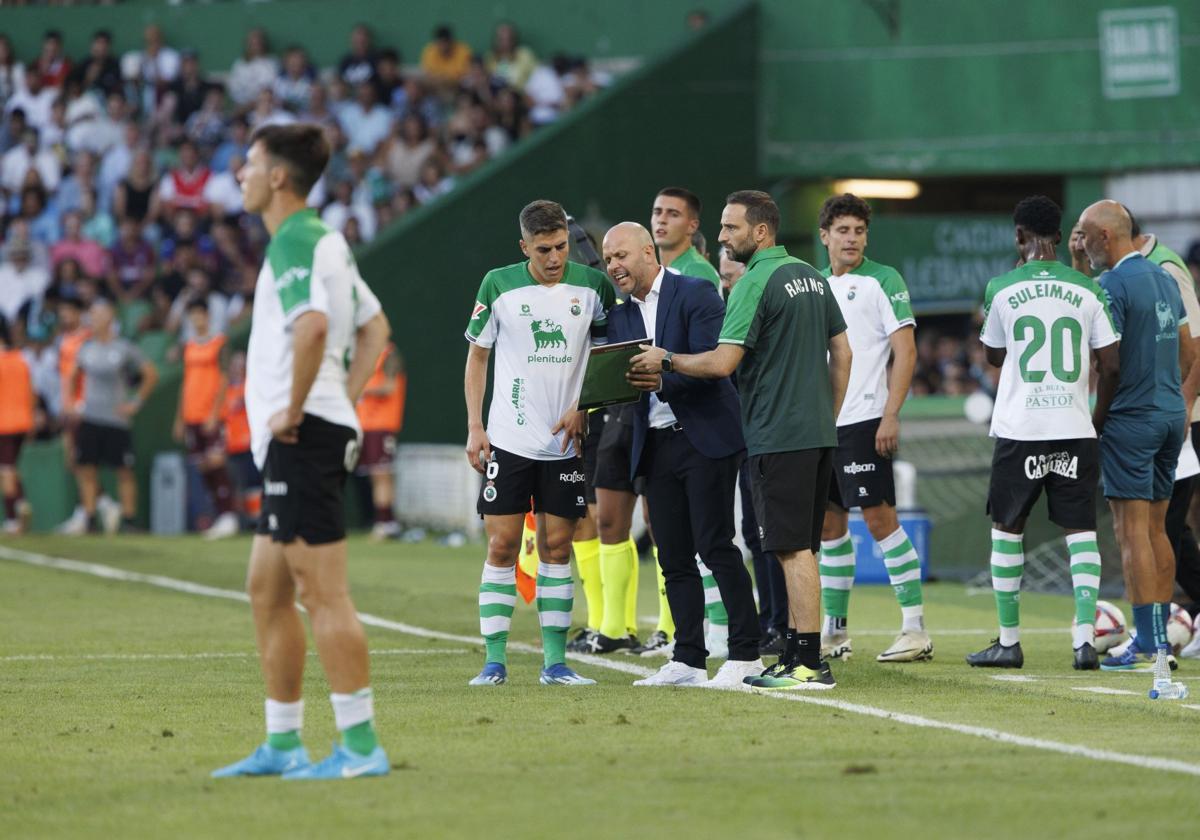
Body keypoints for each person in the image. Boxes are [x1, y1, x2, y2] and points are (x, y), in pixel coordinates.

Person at [212, 124, 392, 780]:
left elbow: (313, 327)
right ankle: (283, 744)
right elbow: (376, 328)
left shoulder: (295, 239)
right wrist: (337, 398)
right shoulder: (324, 241)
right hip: (311, 430)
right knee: (266, 588)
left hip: (302, 437)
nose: (241, 175)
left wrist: (298, 407)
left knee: (322, 593)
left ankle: (360, 747)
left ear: (278, 177)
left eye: (249, 164)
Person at [632, 190, 852, 691]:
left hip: (776, 432)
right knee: (801, 548)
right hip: (815, 432)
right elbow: (843, 351)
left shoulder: (755, 280)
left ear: (760, 232)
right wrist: (828, 416)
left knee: (791, 549)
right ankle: (798, 652)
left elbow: (721, 362)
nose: (724, 237)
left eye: (732, 228)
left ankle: (809, 662)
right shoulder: (812, 276)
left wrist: (666, 359)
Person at [963, 197, 1120, 670]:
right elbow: (1111, 364)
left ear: (1018, 236)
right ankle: (1083, 641)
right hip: (1074, 427)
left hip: (1020, 428)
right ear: (1059, 235)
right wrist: (1096, 419)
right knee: (1081, 532)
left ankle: (1009, 642)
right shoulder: (1089, 288)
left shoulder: (1001, 288)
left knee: (1007, 530)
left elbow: (993, 356)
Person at [604, 222, 763, 687]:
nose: (614, 266)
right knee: (672, 555)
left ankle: (746, 652)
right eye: (609, 259)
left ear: (648, 252)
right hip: (654, 444)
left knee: (715, 545)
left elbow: (716, 363)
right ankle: (689, 658)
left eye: (621, 256)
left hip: (705, 436)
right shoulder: (619, 316)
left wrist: (664, 370)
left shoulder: (696, 293)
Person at [463, 199, 614, 686]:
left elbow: (605, 356)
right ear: (523, 246)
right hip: (508, 439)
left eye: (562, 247)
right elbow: (477, 357)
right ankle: (494, 662)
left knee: (557, 547)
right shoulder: (498, 284)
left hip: (565, 443)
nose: (554, 258)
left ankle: (555, 663)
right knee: (503, 545)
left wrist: (585, 408)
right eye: (544, 249)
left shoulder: (592, 287)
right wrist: (474, 426)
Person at [1073, 201, 1195, 671]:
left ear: (1106, 236)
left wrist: (1097, 422)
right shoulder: (1165, 276)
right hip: (1170, 416)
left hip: (1132, 419)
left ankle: (1145, 643)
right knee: (1160, 528)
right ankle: (1160, 640)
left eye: (1084, 235)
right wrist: (1169, 392)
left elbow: (1110, 363)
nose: (1081, 243)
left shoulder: (1112, 286)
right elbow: (1187, 352)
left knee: (1131, 533)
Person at [814, 194, 930, 662]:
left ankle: (915, 629)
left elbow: (907, 352)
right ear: (824, 236)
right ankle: (836, 633)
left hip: (866, 421)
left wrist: (891, 413)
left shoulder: (884, 280)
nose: (852, 239)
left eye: (859, 231)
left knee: (882, 522)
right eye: (843, 230)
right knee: (828, 527)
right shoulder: (816, 284)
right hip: (823, 426)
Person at [66, 297, 158, 534]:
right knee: (87, 468)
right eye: (92, 314)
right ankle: (89, 518)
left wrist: (135, 402)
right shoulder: (86, 348)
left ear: (110, 318)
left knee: (124, 471)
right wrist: (70, 403)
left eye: (98, 314)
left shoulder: (123, 348)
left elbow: (150, 374)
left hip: (116, 419)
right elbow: (72, 376)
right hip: (91, 417)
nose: (94, 319)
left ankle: (128, 519)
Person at [173, 299, 239, 540]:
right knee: (202, 466)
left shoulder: (219, 343)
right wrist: (179, 417)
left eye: (200, 314)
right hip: (191, 414)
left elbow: (224, 379)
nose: (196, 319)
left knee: (216, 462)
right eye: (192, 316)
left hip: (211, 415)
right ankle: (218, 516)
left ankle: (229, 514)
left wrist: (215, 412)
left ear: (207, 316)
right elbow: (185, 382)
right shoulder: (189, 347)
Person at [356, 342, 406, 541]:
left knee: (381, 475)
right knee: (375, 476)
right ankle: (387, 522)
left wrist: (361, 389)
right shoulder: (363, 354)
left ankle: (385, 524)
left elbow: (389, 386)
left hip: (382, 425)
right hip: (366, 425)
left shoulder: (389, 354)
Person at [0, 317, 33, 535]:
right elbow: (32, 392)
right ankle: (21, 504)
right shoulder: (21, 359)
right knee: (11, 468)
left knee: (6, 470)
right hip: (23, 422)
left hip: (3, 424)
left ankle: (14, 515)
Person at [222, 350, 262, 530]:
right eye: (235, 365)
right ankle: (241, 522)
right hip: (231, 446)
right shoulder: (225, 391)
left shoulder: (252, 387)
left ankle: (258, 521)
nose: (238, 369)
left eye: (241, 365)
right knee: (237, 488)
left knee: (254, 485)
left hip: (250, 444)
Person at [420, 25, 473, 90]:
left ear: (451, 41)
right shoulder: (430, 51)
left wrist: (445, 79)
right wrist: (444, 79)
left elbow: (463, 77)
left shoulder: (463, 51)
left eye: (445, 42)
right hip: (436, 88)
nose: (443, 46)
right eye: (440, 42)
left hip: (457, 88)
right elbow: (428, 75)